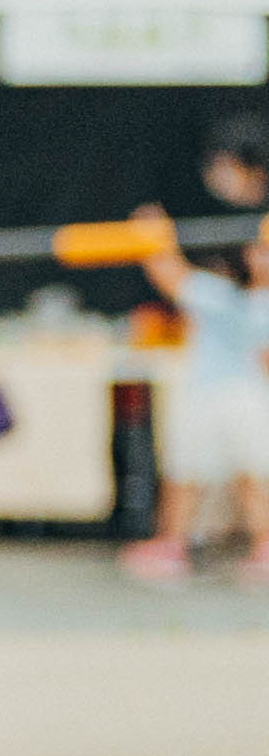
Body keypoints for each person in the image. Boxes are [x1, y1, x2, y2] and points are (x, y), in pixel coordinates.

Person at [128, 205, 269, 581]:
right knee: (191, 475)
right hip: (221, 395)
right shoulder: (223, 294)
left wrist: (155, 235)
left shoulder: (231, 299)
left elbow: (170, 274)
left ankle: (261, 545)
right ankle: (174, 545)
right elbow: (173, 276)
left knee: (246, 476)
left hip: (236, 397)